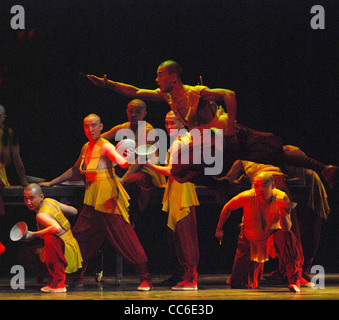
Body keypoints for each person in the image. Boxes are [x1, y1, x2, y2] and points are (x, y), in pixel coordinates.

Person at [86, 61, 338, 203]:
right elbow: (135, 91)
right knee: (178, 170)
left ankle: (323, 168)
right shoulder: (167, 97)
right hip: (213, 145)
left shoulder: (196, 91)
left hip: (231, 136)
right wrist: (107, 84)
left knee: (277, 155)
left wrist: (229, 125)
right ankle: (219, 185)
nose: (156, 79)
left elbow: (229, 95)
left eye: (159, 75)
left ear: (173, 77)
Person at [40, 114, 152, 291]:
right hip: (92, 198)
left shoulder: (105, 146)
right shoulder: (86, 147)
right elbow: (75, 170)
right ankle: (77, 276)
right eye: (86, 126)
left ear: (101, 127)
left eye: (93, 125)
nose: (90, 129)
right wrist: (51, 182)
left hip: (107, 197)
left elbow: (121, 162)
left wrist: (128, 157)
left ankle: (145, 277)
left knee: (123, 235)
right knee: (80, 237)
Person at [215, 172, 304, 292]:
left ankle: (295, 281)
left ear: (272, 186)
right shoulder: (247, 196)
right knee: (240, 284)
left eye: (263, 186)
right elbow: (227, 207)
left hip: (271, 238)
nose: (259, 190)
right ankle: (239, 276)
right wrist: (219, 228)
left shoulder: (281, 197)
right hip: (250, 239)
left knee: (288, 237)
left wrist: (283, 215)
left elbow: (287, 227)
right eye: (256, 186)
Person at [146, 111, 200, 290]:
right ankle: (182, 275)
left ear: (183, 123)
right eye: (166, 123)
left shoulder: (181, 141)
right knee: (179, 235)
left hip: (181, 188)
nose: (169, 127)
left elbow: (171, 171)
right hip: (179, 187)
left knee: (185, 235)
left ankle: (190, 278)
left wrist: (149, 165)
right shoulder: (185, 139)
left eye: (172, 123)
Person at [102, 99, 165, 225]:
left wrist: (124, 178)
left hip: (147, 170)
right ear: (127, 111)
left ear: (145, 113)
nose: (133, 115)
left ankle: (130, 218)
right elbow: (101, 138)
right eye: (131, 111)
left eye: (138, 112)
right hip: (127, 167)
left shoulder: (148, 131)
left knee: (132, 181)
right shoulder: (123, 127)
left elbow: (141, 160)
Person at [23, 183, 82, 293]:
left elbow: (56, 228)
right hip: (72, 247)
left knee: (47, 239)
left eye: (31, 198)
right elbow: (74, 211)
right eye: (25, 198)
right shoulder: (50, 201)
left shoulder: (41, 215)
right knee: (43, 243)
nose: (28, 202)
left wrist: (34, 234)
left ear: (41, 196)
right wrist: (57, 215)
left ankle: (58, 282)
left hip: (65, 251)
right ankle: (54, 278)